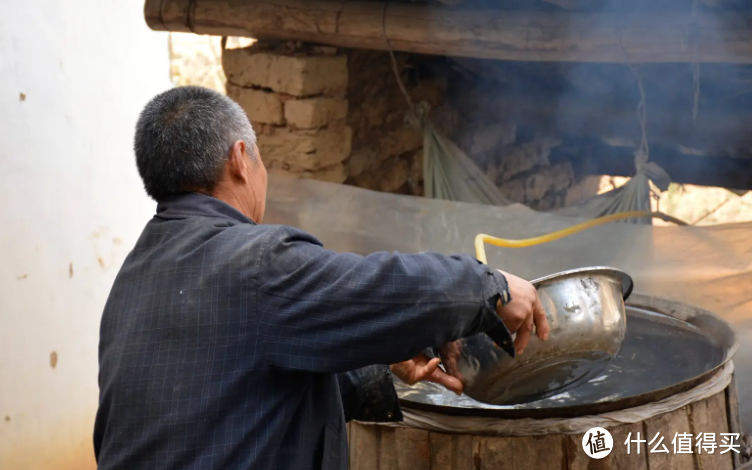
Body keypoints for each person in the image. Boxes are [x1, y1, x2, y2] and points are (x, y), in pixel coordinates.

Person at [93, 86, 549, 470]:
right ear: (240, 159)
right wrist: (492, 286)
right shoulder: (255, 264)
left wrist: (377, 368)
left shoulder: (133, 277)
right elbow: (383, 287)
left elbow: (240, 396)